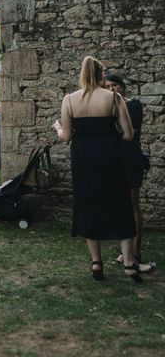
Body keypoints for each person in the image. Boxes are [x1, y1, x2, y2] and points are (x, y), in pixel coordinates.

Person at [53, 56, 140, 283]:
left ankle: (96, 262)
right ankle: (130, 265)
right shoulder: (114, 98)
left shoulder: (70, 100)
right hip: (110, 157)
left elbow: (66, 136)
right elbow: (129, 134)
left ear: (81, 74)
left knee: (88, 205)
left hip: (83, 160)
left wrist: (57, 128)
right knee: (120, 205)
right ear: (102, 75)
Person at [104, 74, 154, 273]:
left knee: (133, 204)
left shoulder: (133, 105)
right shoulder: (106, 108)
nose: (111, 89)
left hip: (130, 159)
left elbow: (127, 131)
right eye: (107, 86)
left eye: (114, 85)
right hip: (113, 161)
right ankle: (125, 251)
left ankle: (137, 251)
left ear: (122, 87)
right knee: (119, 205)